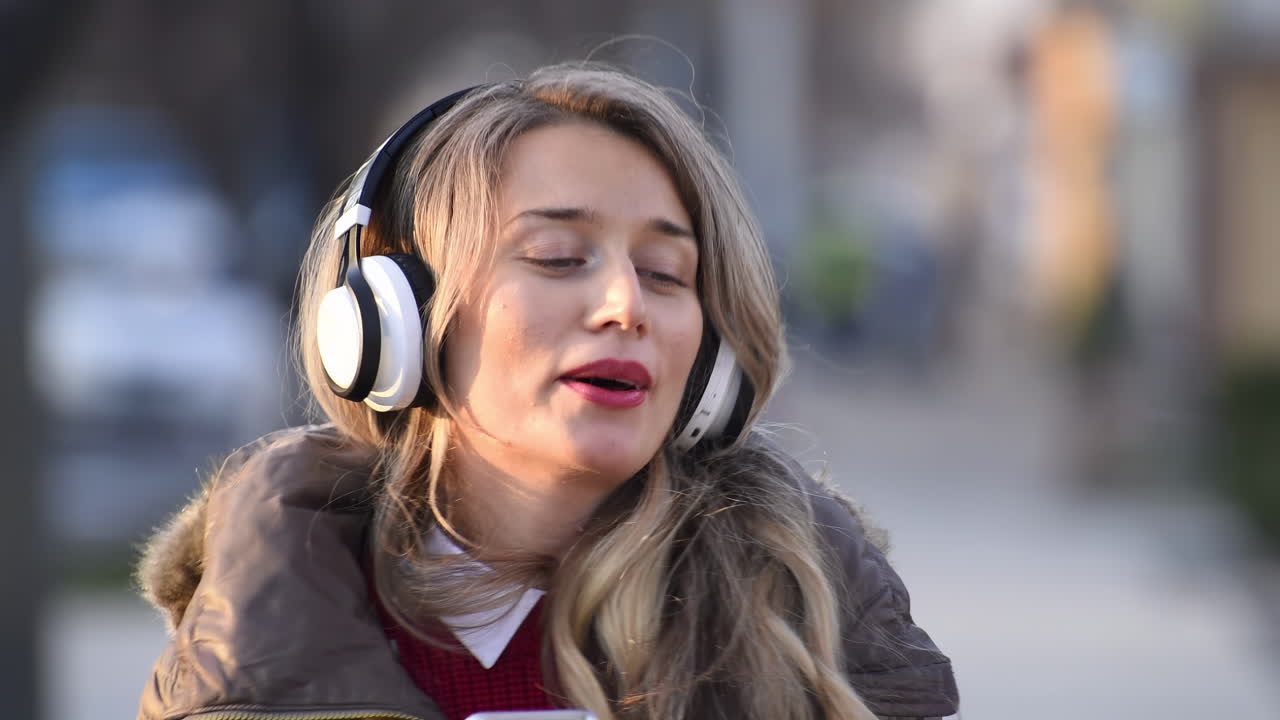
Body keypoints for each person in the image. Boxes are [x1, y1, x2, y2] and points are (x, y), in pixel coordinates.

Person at [136, 63, 959, 720]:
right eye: (560, 257)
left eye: (666, 272)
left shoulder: (817, 623)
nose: (625, 305)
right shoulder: (253, 644)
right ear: (399, 319)